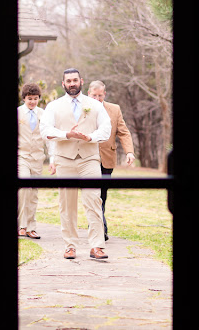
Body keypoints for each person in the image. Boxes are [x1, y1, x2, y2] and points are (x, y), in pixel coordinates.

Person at [40, 68, 111, 260]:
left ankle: (97, 246)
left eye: (75, 80)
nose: (72, 83)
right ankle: (70, 245)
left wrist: (91, 137)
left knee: (94, 200)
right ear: (63, 84)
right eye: (68, 81)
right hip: (65, 159)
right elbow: (44, 130)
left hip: (89, 159)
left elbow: (106, 128)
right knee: (67, 203)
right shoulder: (54, 106)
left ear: (82, 81)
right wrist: (66, 135)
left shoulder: (94, 105)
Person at [87, 80, 135, 241]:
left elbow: (123, 132)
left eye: (100, 95)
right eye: (94, 95)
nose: (97, 98)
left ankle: (97, 223)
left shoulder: (114, 109)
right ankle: (100, 228)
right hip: (87, 157)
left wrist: (129, 152)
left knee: (102, 194)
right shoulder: (82, 108)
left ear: (104, 94)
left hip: (107, 158)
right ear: (89, 94)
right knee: (93, 193)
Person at [17, 83, 53, 239]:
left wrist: (53, 158)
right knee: (23, 188)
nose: (32, 101)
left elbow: (48, 138)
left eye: (35, 98)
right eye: (29, 98)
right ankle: (21, 225)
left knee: (33, 193)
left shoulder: (43, 114)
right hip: (21, 156)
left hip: (37, 158)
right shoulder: (18, 113)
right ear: (24, 98)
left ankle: (31, 226)